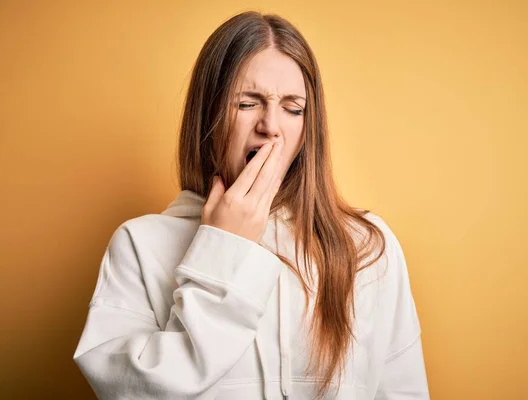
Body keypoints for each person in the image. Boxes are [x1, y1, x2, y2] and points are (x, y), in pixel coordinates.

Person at [73, 10, 430, 400]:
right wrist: (223, 246)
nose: (271, 126)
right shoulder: (138, 246)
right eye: (247, 104)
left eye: (293, 108)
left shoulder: (367, 248)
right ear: (207, 114)